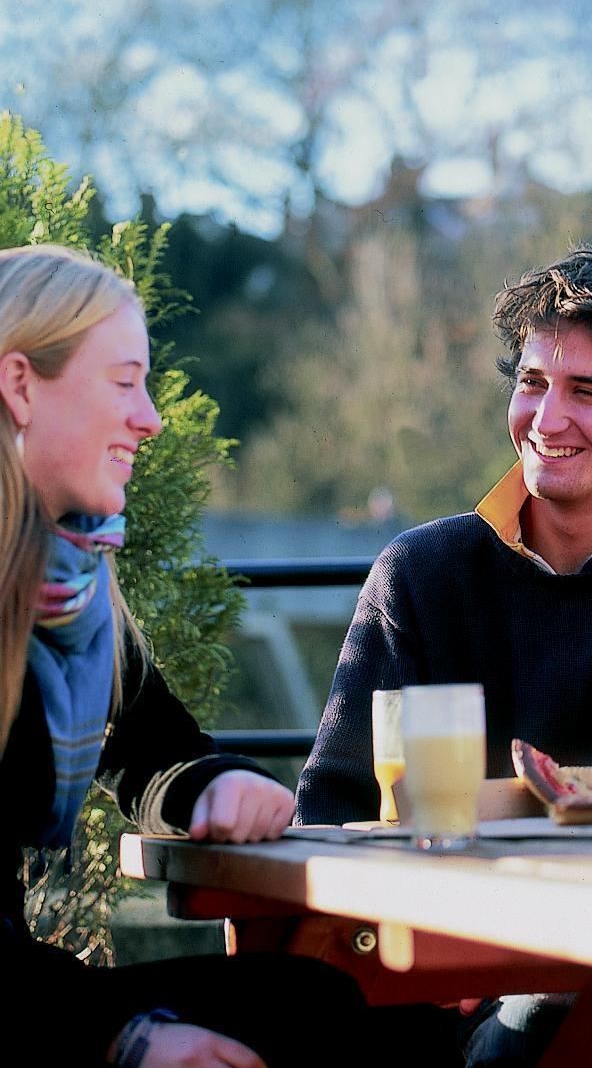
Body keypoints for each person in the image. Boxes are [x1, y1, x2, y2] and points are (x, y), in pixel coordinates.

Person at [295, 245, 592, 1066]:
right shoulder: (419, 574)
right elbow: (333, 815)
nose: (546, 419)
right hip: (448, 978)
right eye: (531, 383)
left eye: (585, 391)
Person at [1, 244, 457, 1068]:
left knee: (374, 1013)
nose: (151, 416)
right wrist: (120, 1038)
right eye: (122, 382)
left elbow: (148, 749)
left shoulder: (67, 585)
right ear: (20, 383)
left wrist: (214, 784)